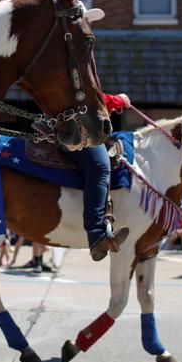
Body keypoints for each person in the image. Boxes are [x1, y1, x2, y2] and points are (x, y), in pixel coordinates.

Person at [62, 92, 132, 261]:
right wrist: (118, 100)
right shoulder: (76, 65)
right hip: (71, 125)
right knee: (100, 167)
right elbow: (85, 96)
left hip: (61, 119)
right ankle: (96, 236)